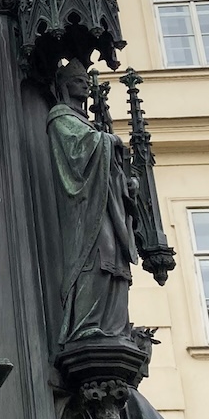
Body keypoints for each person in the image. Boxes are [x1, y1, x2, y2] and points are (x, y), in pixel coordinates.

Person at [47, 58, 138, 347]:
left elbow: (107, 161)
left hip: (107, 201)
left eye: (86, 81)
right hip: (85, 207)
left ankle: (113, 326)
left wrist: (126, 183)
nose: (84, 85)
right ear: (63, 86)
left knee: (116, 260)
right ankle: (86, 324)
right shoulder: (59, 117)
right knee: (102, 253)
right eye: (77, 81)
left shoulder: (84, 122)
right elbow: (76, 154)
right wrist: (106, 142)